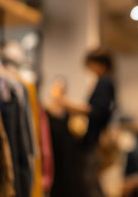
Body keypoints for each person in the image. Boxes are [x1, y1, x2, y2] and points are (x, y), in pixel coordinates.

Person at [49, 48, 116, 197]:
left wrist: (65, 103)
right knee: (90, 180)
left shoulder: (104, 83)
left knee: (88, 180)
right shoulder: (105, 82)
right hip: (94, 137)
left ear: (99, 64)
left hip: (94, 138)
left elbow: (95, 110)